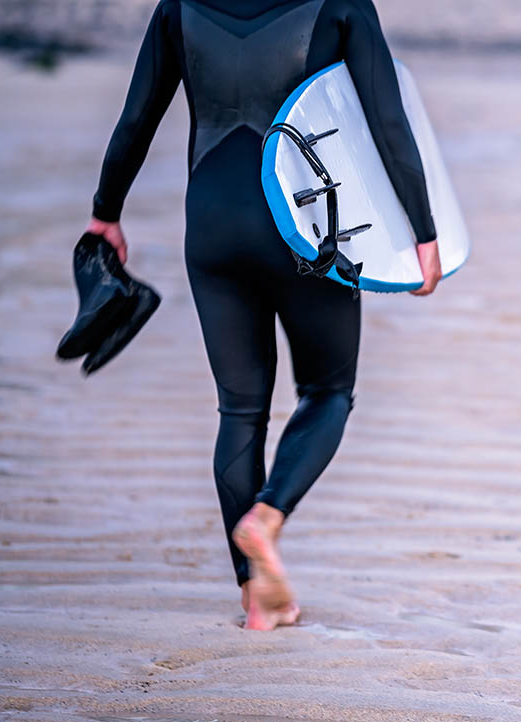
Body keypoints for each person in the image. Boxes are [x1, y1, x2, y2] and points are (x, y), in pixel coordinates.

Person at [86, 0, 442, 630]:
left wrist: (105, 214)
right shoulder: (343, 5)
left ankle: (255, 596)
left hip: (213, 225)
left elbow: (136, 118)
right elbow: (388, 120)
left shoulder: (178, 7)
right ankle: (267, 517)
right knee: (328, 390)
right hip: (305, 228)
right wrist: (425, 233)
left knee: (240, 410)